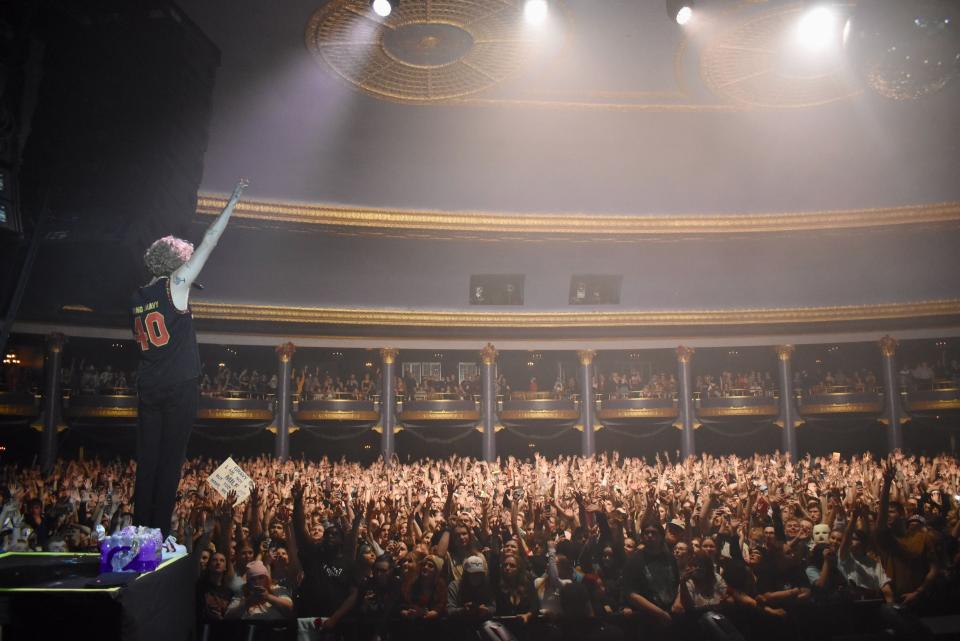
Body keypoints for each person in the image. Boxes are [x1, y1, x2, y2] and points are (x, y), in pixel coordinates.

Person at [131, 178, 248, 536]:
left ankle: (139, 531)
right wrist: (232, 202)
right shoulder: (175, 287)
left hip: (148, 384)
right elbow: (210, 240)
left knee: (147, 461)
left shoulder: (137, 296)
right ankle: (158, 534)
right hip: (178, 385)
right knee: (170, 462)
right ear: (177, 263)